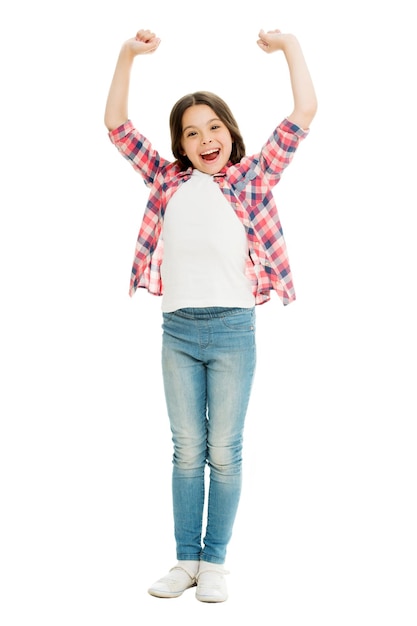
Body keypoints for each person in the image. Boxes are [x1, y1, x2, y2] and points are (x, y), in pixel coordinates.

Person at [104, 27, 317, 603]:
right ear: (179, 143)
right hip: (177, 332)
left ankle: (215, 561)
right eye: (191, 132)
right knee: (185, 450)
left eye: (214, 127)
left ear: (230, 132)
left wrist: (289, 47)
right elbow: (117, 126)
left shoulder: (252, 178)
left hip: (232, 331)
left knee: (224, 449)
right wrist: (127, 55)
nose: (205, 140)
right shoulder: (165, 180)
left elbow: (303, 111)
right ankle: (185, 561)